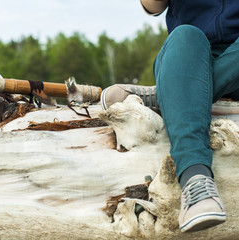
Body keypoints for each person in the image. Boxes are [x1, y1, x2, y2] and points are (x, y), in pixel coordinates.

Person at [101, 0, 239, 233]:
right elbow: (152, 5)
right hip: (186, 57)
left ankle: (173, 92)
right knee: (185, 34)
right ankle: (196, 180)